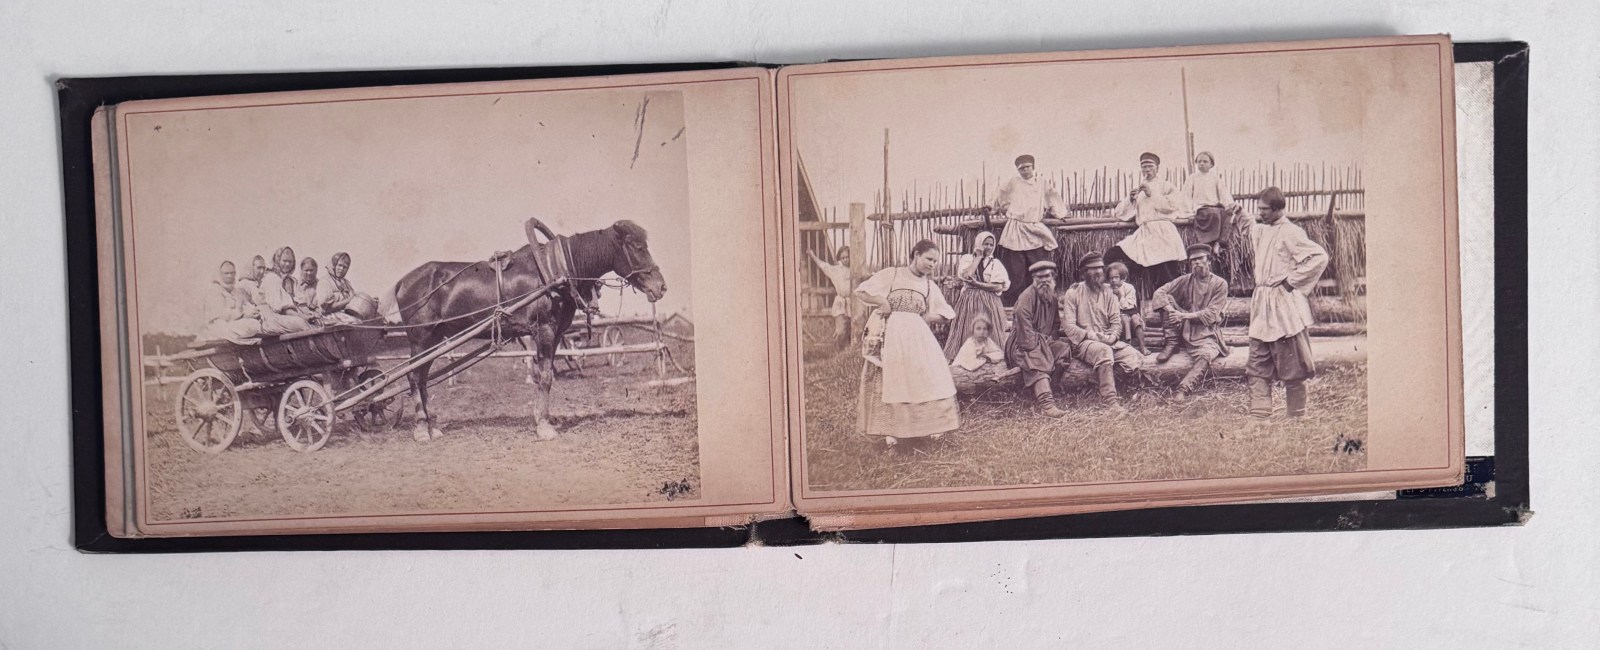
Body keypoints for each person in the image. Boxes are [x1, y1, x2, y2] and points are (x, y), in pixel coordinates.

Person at [855, 239, 960, 448]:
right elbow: (862, 291)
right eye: (929, 259)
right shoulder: (892, 275)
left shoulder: (930, 286)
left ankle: (927, 427)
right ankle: (892, 432)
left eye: (935, 262)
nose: (932, 265)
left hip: (919, 339)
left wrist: (928, 318)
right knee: (893, 378)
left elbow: (948, 313)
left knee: (926, 377)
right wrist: (882, 302)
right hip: (892, 334)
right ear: (915, 254)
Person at [1238, 186, 1330, 422]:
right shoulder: (1261, 229)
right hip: (1262, 305)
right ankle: (1260, 417)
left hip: (1283, 306)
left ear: (1278, 209)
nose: (1261, 214)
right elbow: (1249, 226)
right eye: (1258, 209)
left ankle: (1296, 416)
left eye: (1265, 210)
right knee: (1257, 361)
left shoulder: (1291, 232)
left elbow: (1319, 257)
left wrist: (1292, 281)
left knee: (1291, 363)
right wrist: (1237, 211)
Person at [1059, 252, 1143, 413]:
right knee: (1104, 351)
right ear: (1084, 272)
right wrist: (1089, 335)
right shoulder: (1073, 293)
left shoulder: (1110, 292)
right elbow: (1068, 326)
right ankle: (1110, 401)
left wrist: (1112, 337)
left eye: (1100, 268)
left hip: (1107, 340)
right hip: (1084, 342)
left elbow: (1116, 321)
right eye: (1093, 269)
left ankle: (1094, 381)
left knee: (1135, 356)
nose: (1098, 272)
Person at [1150, 243, 1232, 399]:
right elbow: (1159, 292)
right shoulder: (1186, 280)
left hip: (1206, 332)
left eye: (1201, 259)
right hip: (1183, 328)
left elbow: (1211, 314)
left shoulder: (1220, 284)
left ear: (1209, 261)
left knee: (1206, 355)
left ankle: (1184, 388)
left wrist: (1184, 316)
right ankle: (1172, 342)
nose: (1197, 263)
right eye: (1193, 261)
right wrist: (1172, 311)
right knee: (1166, 297)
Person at [991, 154, 1064, 305]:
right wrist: (996, 206)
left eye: (1027, 167)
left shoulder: (1042, 182)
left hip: (1034, 228)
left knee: (1038, 266)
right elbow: (1000, 193)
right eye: (1021, 169)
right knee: (1015, 271)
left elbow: (1052, 197)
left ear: (1033, 167)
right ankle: (1014, 303)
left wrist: (1059, 213)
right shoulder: (1013, 182)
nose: (1024, 171)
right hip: (1015, 228)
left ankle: (1042, 300)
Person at [1005, 260, 1072, 418]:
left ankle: (1052, 387)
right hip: (1022, 345)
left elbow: (1055, 325)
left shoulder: (1053, 298)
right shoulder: (1025, 298)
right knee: (1037, 359)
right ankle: (1047, 404)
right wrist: (1042, 347)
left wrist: (1050, 342)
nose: (1044, 281)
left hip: (1043, 342)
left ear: (1053, 277)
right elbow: (1025, 333)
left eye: (1047, 276)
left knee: (1063, 349)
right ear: (1034, 279)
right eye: (1039, 277)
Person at [1110, 152, 1187, 288]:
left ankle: (1174, 302)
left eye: (1150, 166)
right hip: (1145, 232)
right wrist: (1130, 199)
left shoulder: (1166, 186)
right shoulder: (1139, 189)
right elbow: (1121, 213)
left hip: (1164, 232)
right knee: (1113, 253)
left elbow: (1173, 206)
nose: (1147, 170)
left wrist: (1152, 194)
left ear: (1157, 168)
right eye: (1143, 167)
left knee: (1166, 271)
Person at [941, 231, 1011, 361]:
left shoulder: (996, 264)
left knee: (991, 330)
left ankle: (991, 359)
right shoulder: (967, 259)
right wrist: (978, 257)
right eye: (985, 244)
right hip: (969, 302)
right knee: (968, 329)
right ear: (979, 244)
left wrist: (977, 284)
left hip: (990, 303)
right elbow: (966, 276)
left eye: (991, 244)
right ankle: (964, 360)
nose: (988, 247)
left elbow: (999, 286)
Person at [1180, 151, 1238, 248]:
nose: (1202, 164)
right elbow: (1186, 196)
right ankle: (1209, 241)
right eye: (1199, 162)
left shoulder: (1215, 178)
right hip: (1200, 208)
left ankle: (1220, 242)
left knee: (1227, 214)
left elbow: (1223, 193)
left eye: (1205, 161)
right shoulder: (1192, 178)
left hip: (1215, 207)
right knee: (1213, 213)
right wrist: (1189, 211)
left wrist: (1228, 205)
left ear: (1211, 164)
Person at [198, 261, 263, 344]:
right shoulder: (214, 291)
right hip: (217, 326)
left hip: (234, 322)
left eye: (232, 273)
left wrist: (253, 312)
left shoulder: (237, 291)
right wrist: (243, 315)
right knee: (247, 326)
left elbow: (246, 305)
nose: (230, 276)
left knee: (254, 323)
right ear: (219, 275)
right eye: (226, 273)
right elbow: (221, 314)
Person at [807, 245, 859, 349]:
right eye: (843, 257)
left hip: (852, 303)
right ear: (839, 258)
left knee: (852, 329)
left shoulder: (855, 270)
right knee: (840, 331)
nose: (845, 260)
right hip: (840, 303)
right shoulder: (836, 270)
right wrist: (812, 255)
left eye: (847, 257)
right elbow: (823, 266)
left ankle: (848, 353)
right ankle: (838, 351)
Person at [258, 246, 315, 335]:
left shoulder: (292, 281)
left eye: (290, 262)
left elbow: (299, 302)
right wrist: (303, 316)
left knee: (317, 322)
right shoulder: (272, 278)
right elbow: (280, 308)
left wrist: (309, 314)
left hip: (289, 316)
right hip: (271, 318)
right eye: (284, 261)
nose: (287, 264)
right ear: (277, 260)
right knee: (301, 324)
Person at [948, 316, 1012, 387]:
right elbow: (971, 365)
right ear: (973, 331)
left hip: (979, 371)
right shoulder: (970, 343)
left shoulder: (987, 341)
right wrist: (984, 359)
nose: (982, 332)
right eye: (978, 329)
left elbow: (1000, 354)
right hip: (959, 371)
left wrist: (986, 356)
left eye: (985, 329)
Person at [316, 252, 376, 324]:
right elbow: (326, 309)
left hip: (344, 315)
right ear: (334, 265)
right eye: (340, 265)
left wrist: (370, 302)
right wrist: (348, 300)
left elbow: (354, 301)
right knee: (356, 321)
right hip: (328, 317)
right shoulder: (325, 282)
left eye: (345, 267)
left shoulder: (346, 283)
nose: (341, 269)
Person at [1106, 261, 1145, 354]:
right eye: (1111, 278)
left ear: (1123, 278)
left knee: (1136, 319)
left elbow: (1129, 305)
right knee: (1124, 319)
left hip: (1130, 312)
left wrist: (1120, 296)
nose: (1113, 280)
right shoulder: (1107, 288)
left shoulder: (1129, 288)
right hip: (1116, 315)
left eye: (1116, 277)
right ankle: (1128, 344)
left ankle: (1142, 346)